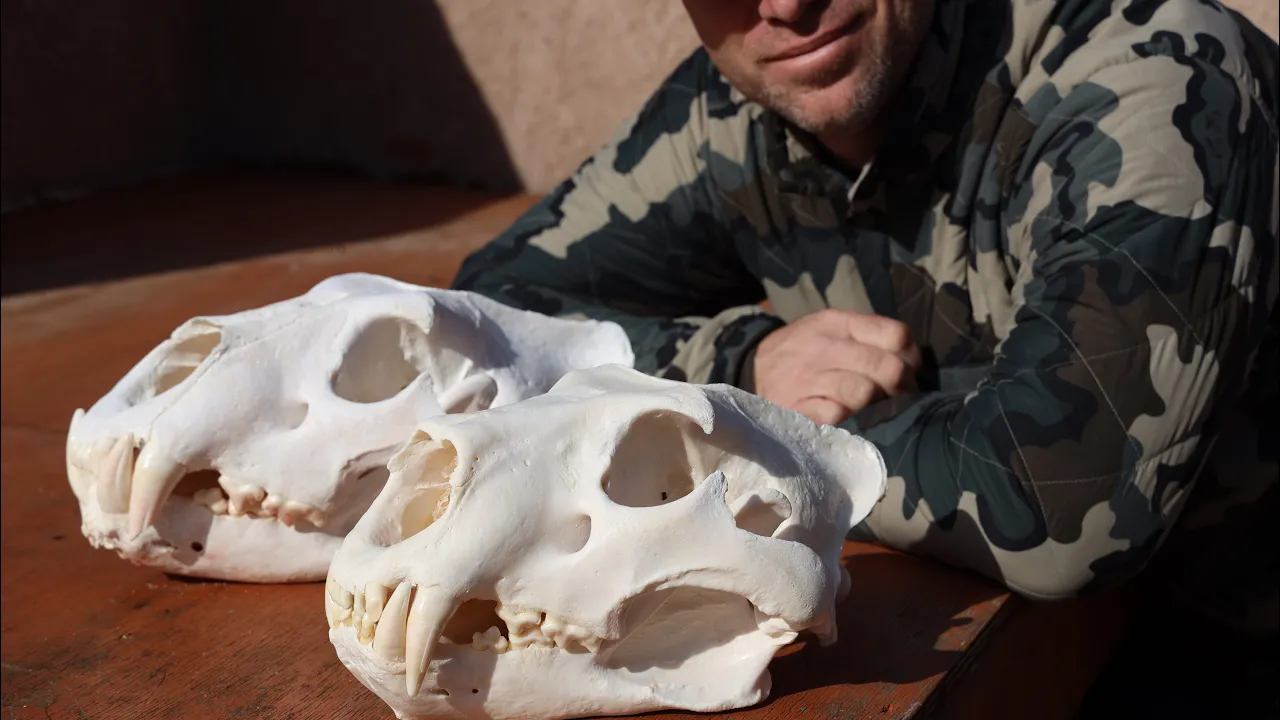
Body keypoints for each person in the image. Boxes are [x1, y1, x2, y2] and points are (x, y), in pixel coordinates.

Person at [453, 0, 1277, 714]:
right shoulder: (734, 108)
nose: (784, 4)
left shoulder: (1154, 69)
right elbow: (482, 320)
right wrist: (738, 359)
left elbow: (1057, 513)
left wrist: (758, 428)